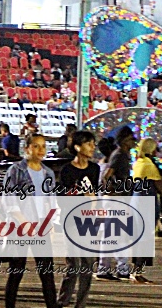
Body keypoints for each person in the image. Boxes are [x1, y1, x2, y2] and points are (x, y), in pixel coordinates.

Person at [2, 133, 57, 308]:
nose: (40, 150)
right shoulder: (16, 170)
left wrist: (50, 224)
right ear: (27, 148)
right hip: (20, 227)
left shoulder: (48, 172)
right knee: (16, 271)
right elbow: (9, 199)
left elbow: (51, 201)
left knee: (47, 273)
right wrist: (24, 222)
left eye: (43, 146)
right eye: (36, 146)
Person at [57, 130, 100, 308]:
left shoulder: (94, 169)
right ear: (77, 147)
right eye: (89, 144)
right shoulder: (67, 170)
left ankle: (80, 303)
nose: (93, 147)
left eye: (93, 144)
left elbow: (94, 194)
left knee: (88, 264)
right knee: (74, 263)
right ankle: (63, 299)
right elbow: (61, 197)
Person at [97, 126, 136, 280]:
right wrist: (111, 192)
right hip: (115, 200)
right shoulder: (119, 155)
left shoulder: (123, 155)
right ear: (124, 140)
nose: (134, 142)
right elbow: (107, 175)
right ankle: (120, 268)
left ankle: (106, 268)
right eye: (131, 139)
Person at [130, 138, 162, 284]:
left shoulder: (138, 163)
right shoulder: (149, 165)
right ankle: (138, 272)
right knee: (145, 238)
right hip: (146, 202)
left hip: (136, 200)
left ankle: (136, 271)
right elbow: (160, 187)